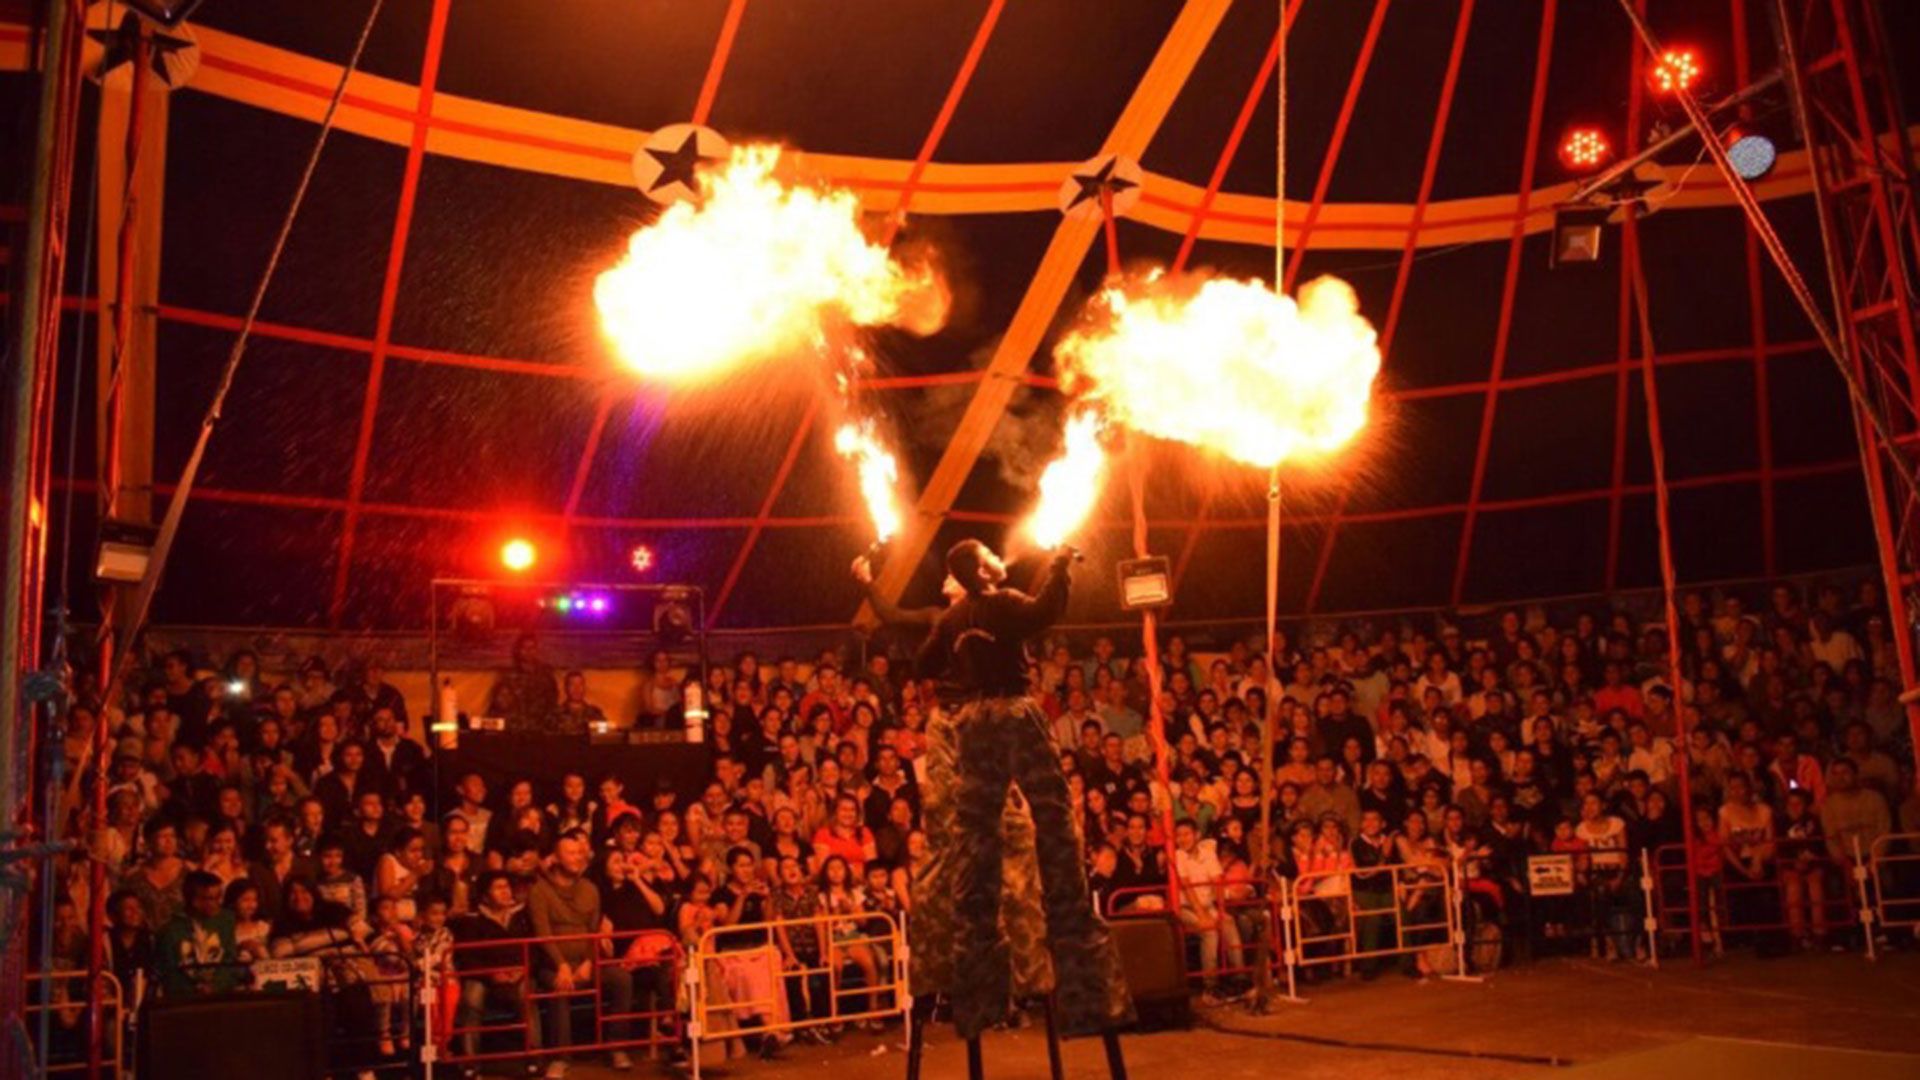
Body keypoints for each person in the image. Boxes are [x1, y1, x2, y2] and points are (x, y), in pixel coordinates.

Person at [912, 539, 1133, 1042]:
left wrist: (958, 641)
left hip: (973, 722)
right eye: (990, 554)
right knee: (1054, 834)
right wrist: (1058, 568)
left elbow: (924, 663)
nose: (996, 556)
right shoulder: (1004, 600)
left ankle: (977, 1000)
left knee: (976, 848)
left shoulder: (954, 618)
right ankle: (1084, 991)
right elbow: (1046, 612)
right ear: (984, 570)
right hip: (1014, 712)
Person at [528, 832, 632, 1075]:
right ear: (555, 858)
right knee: (559, 985)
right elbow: (542, 933)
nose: (577, 858)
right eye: (571, 853)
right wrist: (561, 965)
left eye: (580, 853)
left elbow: (594, 930)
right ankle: (560, 1057)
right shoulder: (539, 891)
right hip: (553, 964)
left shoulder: (590, 889)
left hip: (586, 961)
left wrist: (588, 961)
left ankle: (616, 1047)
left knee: (621, 979)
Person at [155, 871, 241, 998]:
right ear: (193, 900)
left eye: (218, 897)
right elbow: (169, 971)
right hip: (184, 1000)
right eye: (210, 898)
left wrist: (216, 986)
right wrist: (193, 990)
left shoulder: (225, 921)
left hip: (220, 997)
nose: (217, 903)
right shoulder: (170, 930)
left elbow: (229, 960)